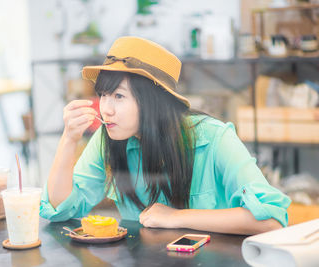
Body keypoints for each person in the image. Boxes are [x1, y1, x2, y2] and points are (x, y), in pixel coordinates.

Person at [40, 36, 291, 235]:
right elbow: (60, 210)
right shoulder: (108, 137)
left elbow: (271, 220)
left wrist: (176, 216)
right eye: (104, 95)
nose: (105, 108)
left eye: (119, 96)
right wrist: (69, 140)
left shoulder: (214, 138)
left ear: (153, 102)